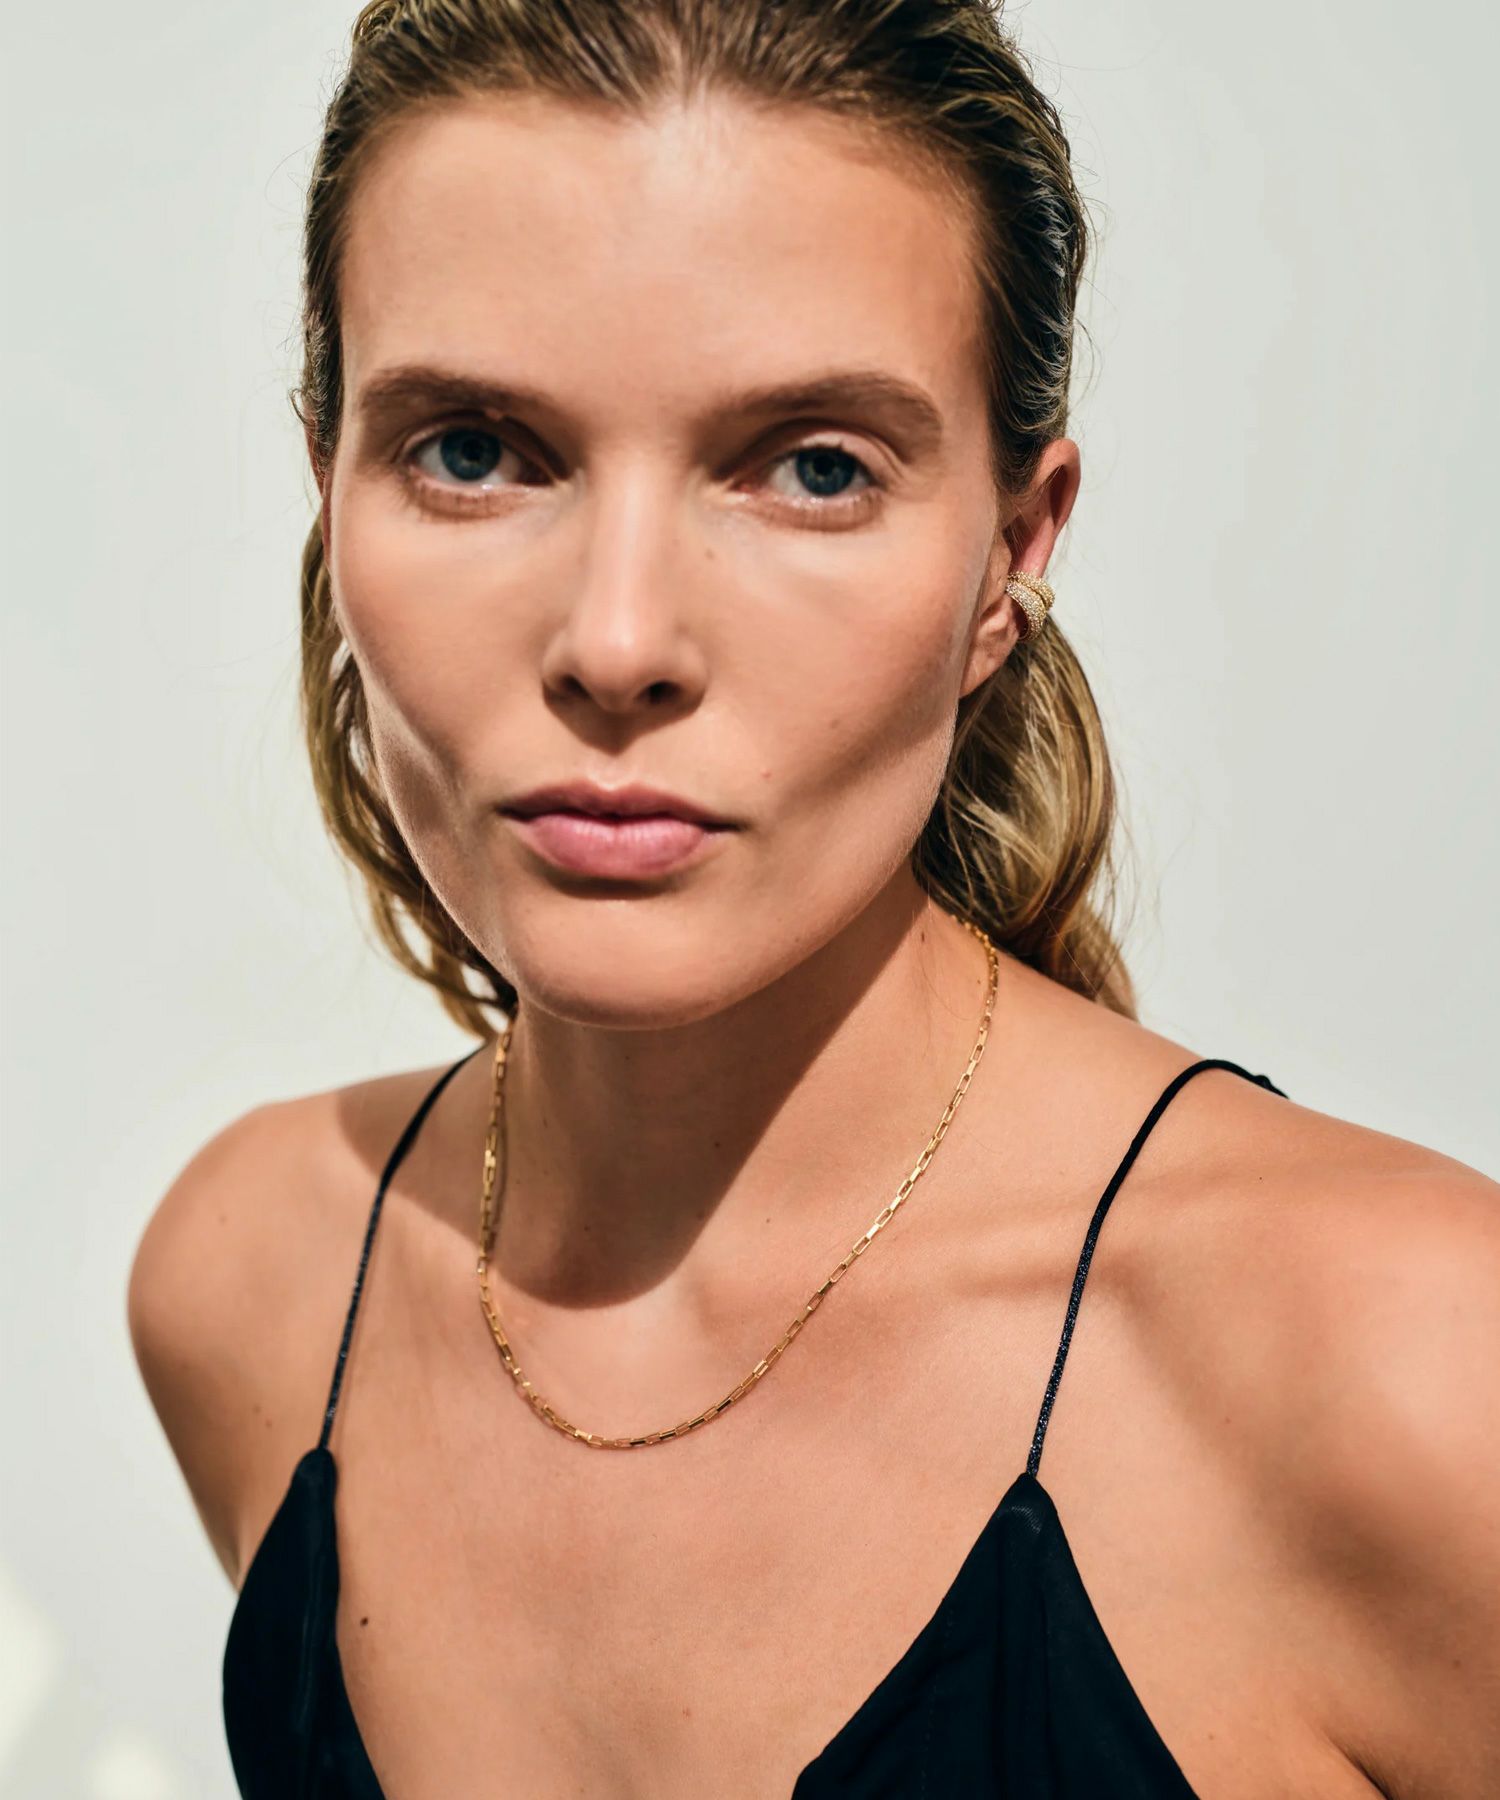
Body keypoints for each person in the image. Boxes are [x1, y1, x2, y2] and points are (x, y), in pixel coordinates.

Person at [127, 1, 1500, 1795]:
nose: (619, 639)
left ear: (1013, 553)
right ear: (328, 487)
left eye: (813, 470)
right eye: (472, 450)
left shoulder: (1410, 1371)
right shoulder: (254, 1284)